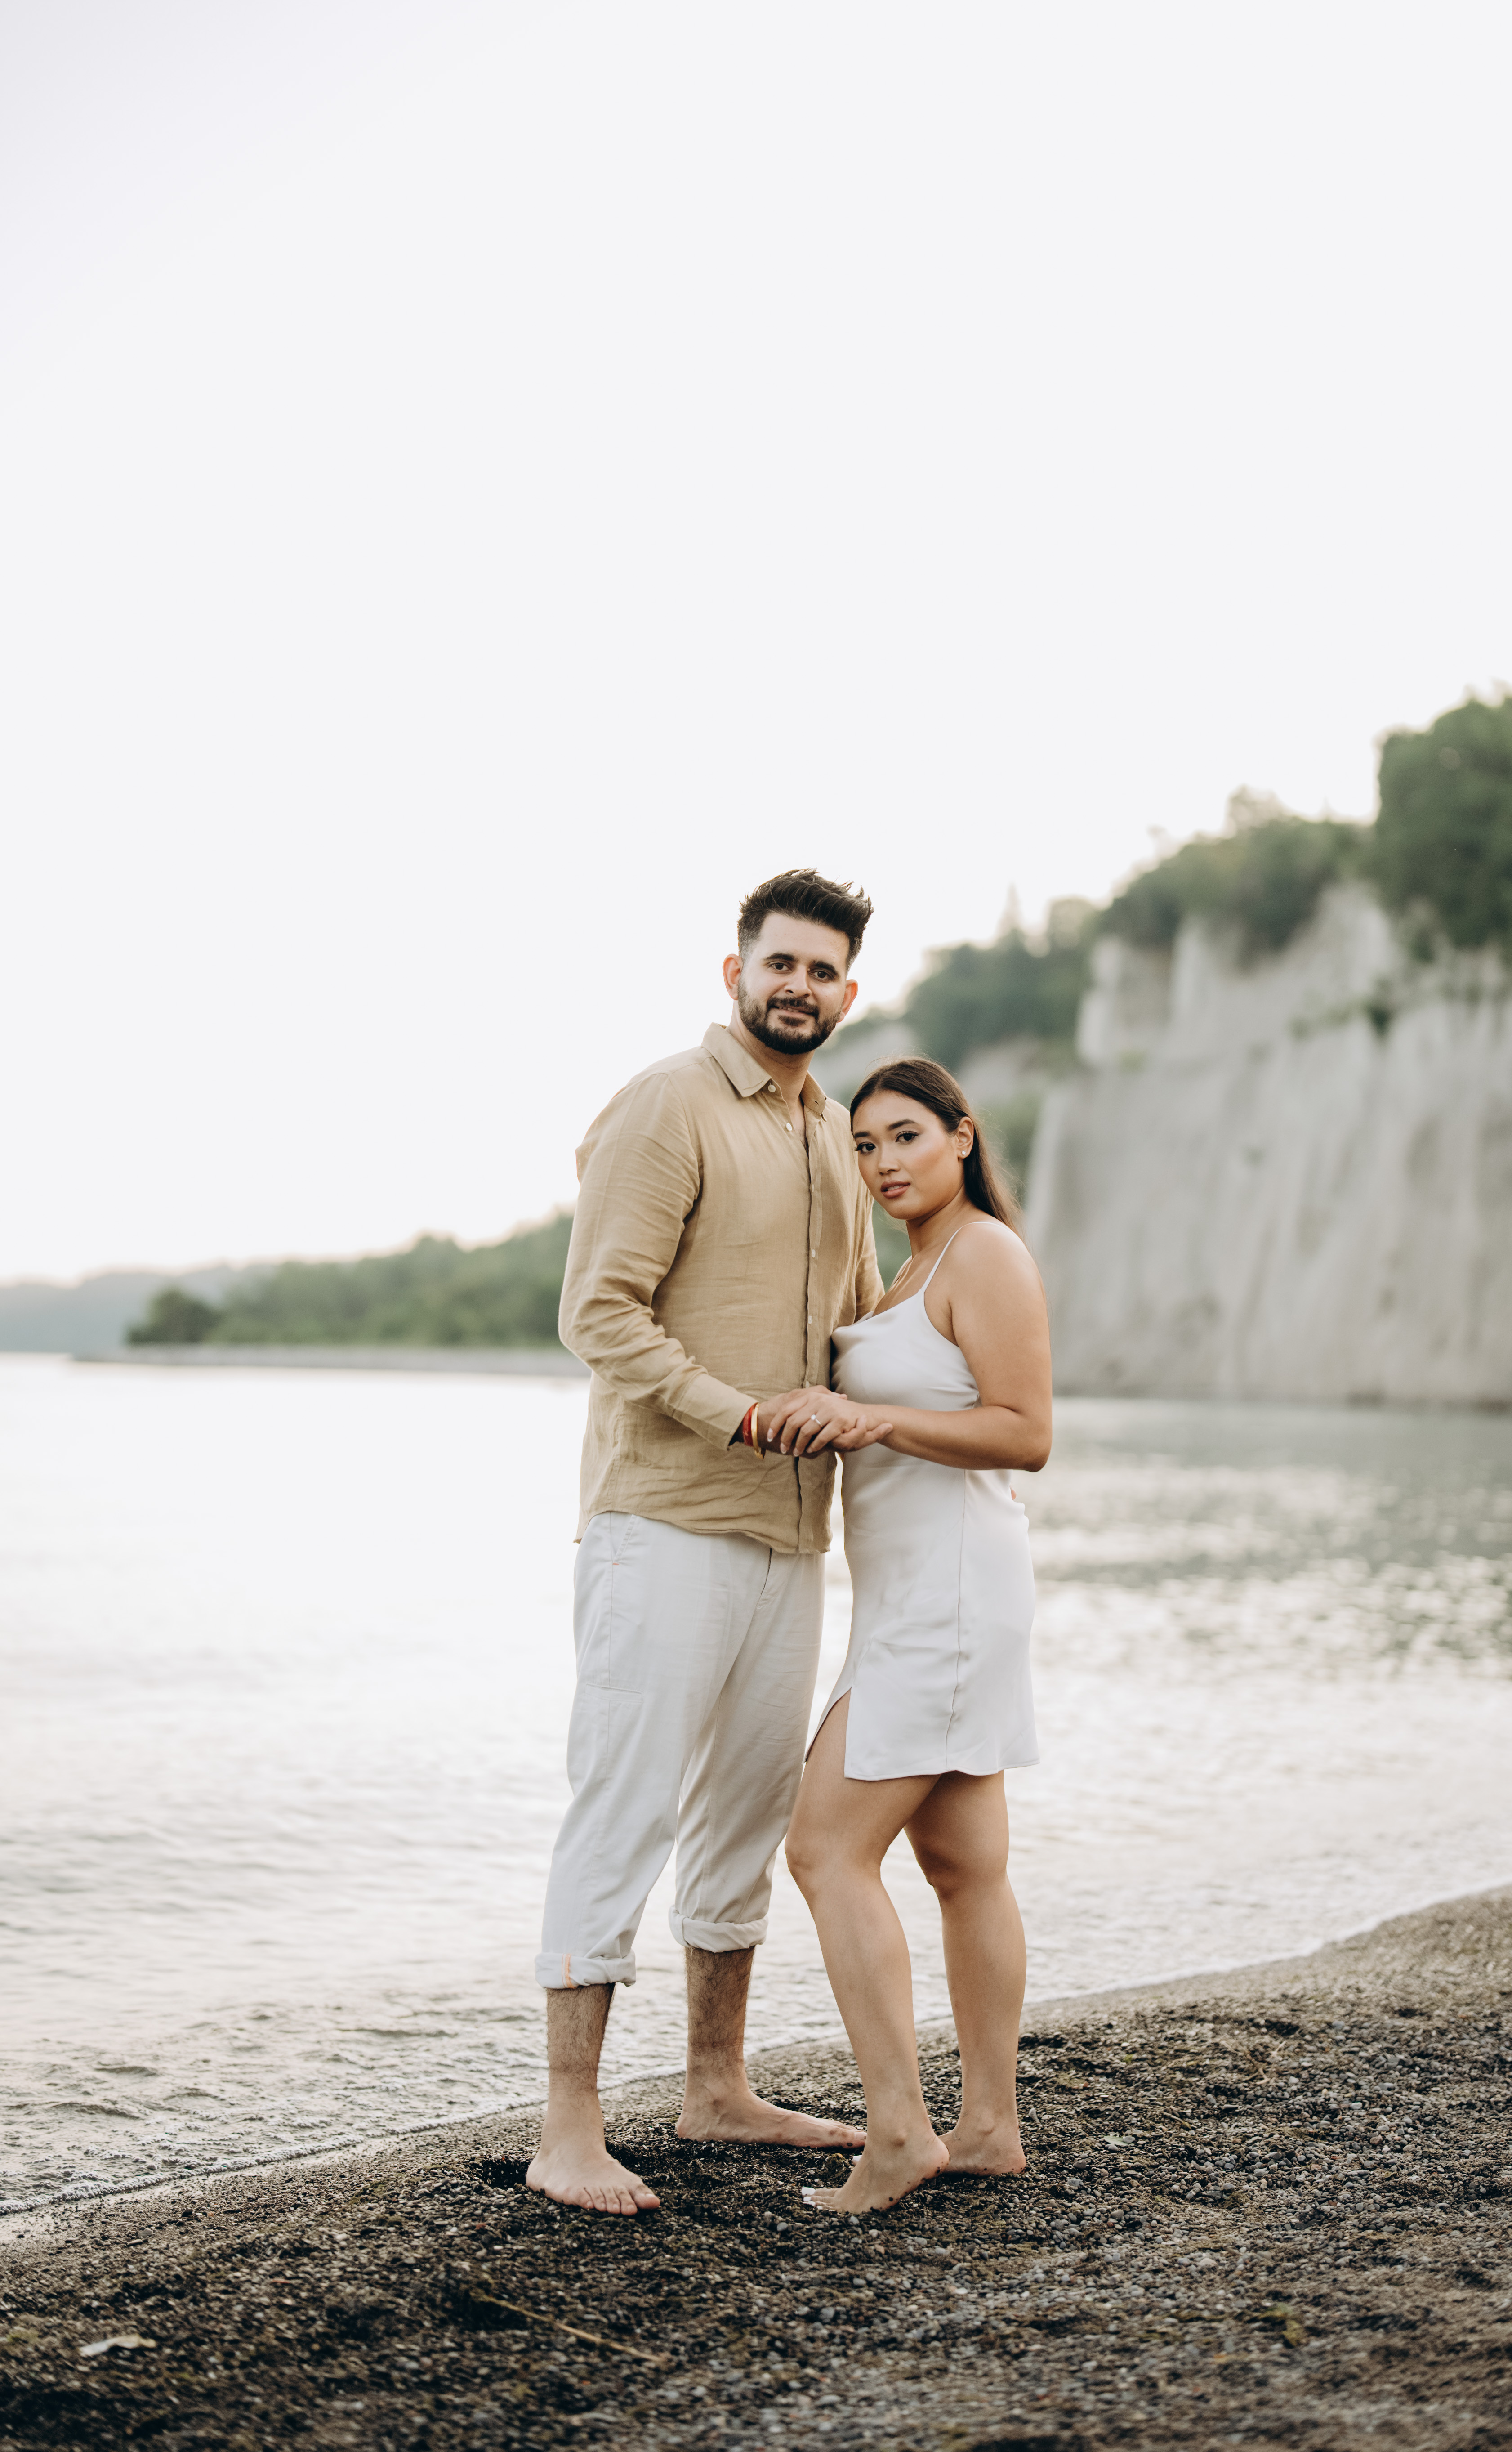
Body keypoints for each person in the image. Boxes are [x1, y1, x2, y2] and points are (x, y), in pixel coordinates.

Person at [526, 870, 895, 2216]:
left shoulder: (834, 1136)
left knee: (745, 1818)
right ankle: (568, 2128)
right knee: (621, 1810)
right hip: (665, 1523)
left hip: (792, 1541)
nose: (799, 986)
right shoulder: (666, 1106)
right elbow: (598, 1312)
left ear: (847, 994)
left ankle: (715, 2087)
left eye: (822, 971)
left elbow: (859, 1333)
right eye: (779, 963)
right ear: (736, 972)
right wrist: (735, 1413)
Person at [774, 1056, 1053, 2215]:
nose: (884, 1163)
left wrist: (871, 1417)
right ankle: (987, 2127)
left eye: (905, 1137)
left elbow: (1026, 1432)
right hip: (923, 1597)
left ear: (962, 1136)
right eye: (865, 1145)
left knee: (823, 1851)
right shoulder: (914, 1266)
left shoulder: (984, 1252)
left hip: (946, 1601)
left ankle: (898, 2134)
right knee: (963, 1866)